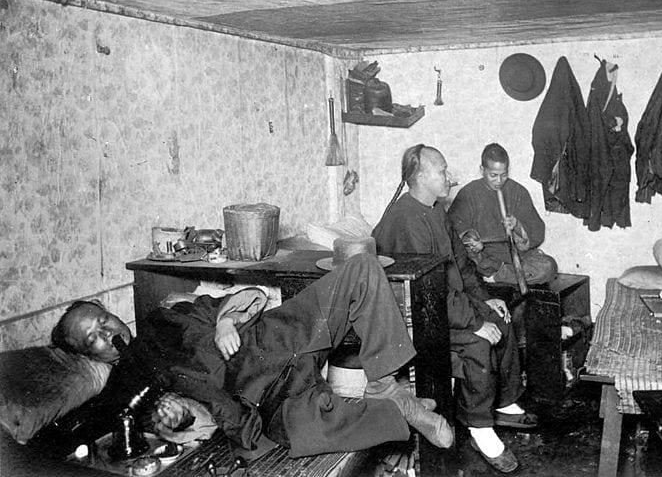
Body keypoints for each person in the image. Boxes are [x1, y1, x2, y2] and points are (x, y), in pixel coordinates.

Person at [48, 254, 454, 459]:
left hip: (273, 337)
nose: (107, 333)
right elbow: (86, 426)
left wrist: (224, 320)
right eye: (94, 339)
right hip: (260, 400)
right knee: (306, 431)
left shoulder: (164, 317)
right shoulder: (125, 387)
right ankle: (402, 411)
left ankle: (386, 385)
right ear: (92, 356)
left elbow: (249, 295)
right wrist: (173, 417)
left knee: (363, 268)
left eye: (103, 319)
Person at [372, 144, 536, 474]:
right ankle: (479, 427)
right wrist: (475, 321)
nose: (450, 176)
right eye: (442, 171)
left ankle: (502, 401)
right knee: (478, 341)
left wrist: (485, 300)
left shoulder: (435, 210)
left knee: (501, 320)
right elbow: (427, 292)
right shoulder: (406, 220)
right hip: (415, 315)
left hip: (442, 303)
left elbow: (461, 265)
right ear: (419, 177)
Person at [448, 142, 557, 286]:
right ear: (482, 170)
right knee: (470, 263)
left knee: (548, 266)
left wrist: (517, 226)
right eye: (493, 175)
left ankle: (500, 276)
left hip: (514, 258)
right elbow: (452, 228)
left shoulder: (518, 191)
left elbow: (537, 232)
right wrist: (471, 240)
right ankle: (506, 275)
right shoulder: (468, 193)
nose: (499, 181)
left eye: (504, 175)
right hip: (484, 258)